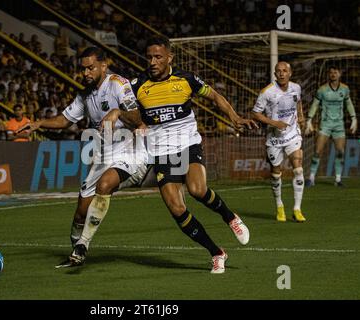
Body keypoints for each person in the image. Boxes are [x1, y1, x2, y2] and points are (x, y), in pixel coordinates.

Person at [131, 36, 256, 274]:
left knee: (198, 190)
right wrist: (129, 120)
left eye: (158, 57)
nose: (153, 62)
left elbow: (215, 97)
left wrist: (235, 117)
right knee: (177, 209)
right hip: (161, 151)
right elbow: (126, 109)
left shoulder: (186, 79)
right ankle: (217, 253)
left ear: (170, 57)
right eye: (149, 57)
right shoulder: (137, 85)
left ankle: (230, 217)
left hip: (187, 143)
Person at [19, 47, 148, 267]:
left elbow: (136, 118)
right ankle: (75, 254)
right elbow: (64, 120)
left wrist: (117, 112)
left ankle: (83, 245)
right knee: (80, 213)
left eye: (91, 68)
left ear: (103, 66)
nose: (86, 73)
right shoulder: (85, 95)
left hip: (130, 151)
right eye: (83, 69)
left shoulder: (118, 84)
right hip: (103, 156)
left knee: (105, 185)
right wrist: (39, 123)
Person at [252, 61, 306, 223]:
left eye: (284, 71)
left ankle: (297, 209)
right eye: (278, 71)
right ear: (275, 74)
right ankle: (279, 205)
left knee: (298, 168)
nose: (281, 73)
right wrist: (275, 123)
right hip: (274, 138)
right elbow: (255, 113)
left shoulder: (296, 88)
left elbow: (299, 102)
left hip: (292, 134)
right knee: (276, 173)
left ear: (290, 73)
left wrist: (301, 115)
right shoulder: (267, 92)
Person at [305, 66, 357, 187]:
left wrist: (354, 118)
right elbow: (315, 105)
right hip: (325, 124)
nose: (333, 74)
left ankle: (338, 179)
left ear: (340, 74)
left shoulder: (345, 89)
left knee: (340, 151)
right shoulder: (322, 90)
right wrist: (309, 120)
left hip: (339, 125)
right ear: (329, 75)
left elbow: (348, 103)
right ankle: (311, 178)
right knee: (318, 151)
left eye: (336, 72)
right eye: (331, 72)